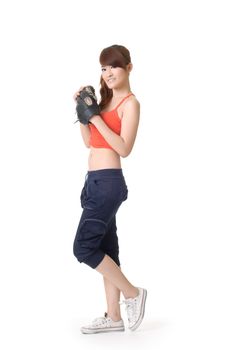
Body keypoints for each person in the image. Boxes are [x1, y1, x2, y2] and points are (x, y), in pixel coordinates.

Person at [73, 44, 147, 334]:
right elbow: (90, 142)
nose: (107, 73)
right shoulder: (102, 105)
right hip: (93, 182)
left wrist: (95, 118)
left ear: (128, 68)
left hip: (109, 182)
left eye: (113, 66)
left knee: (83, 247)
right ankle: (114, 317)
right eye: (103, 68)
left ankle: (133, 293)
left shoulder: (130, 104)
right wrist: (83, 111)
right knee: (106, 248)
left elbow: (124, 147)